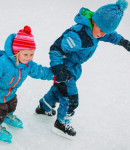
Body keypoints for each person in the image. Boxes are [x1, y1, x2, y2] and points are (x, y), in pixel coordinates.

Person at [35, 0, 130, 139]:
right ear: (94, 21)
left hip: (73, 67)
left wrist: (123, 42)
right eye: (102, 31)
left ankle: (44, 106)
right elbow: (56, 48)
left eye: (106, 32)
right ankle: (61, 124)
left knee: (60, 89)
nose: (103, 35)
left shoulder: (97, 30)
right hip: (65, 68)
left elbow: (110, 35)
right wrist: (58, 69)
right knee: (70, 97)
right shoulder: (78, 35)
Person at [0, 26, 54, 143]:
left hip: (10, 92)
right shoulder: (0, 63)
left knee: (12, 104)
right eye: (25, 54)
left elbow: (40, 71)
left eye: (31, 54)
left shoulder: (28, 64)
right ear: (16, 53)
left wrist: (54, 75)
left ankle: (8, 116)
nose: (29, 58)